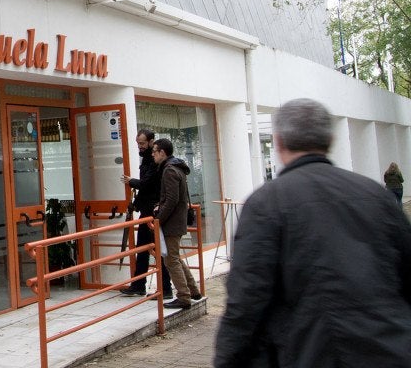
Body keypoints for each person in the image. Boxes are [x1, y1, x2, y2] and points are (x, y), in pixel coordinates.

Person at [214, 99, 411, 367]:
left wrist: (228, 359)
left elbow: (246, 301)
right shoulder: (377, 196)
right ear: (330, 139)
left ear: (279, 141)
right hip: (388, 351)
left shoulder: (265, 204)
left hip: (308, 354)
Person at [119, 129, 174, 298]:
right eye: (138, 143)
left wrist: (132, 182)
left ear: (152, 144)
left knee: (158, 249)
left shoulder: (159, 163)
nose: (139, 147)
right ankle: (138, 284)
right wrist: (136, 204)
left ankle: (165, 289)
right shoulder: (147, 159)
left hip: (154, 212)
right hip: (146, 210)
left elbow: (149, 184)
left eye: (142, 143)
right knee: (142, 248)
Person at [152, 138, 201, 309]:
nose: (152, 155)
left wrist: (160, 218)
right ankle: (193, 290)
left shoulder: (169, 170)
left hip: (172, 223)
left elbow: (172, 199)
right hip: (177, 220)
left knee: (171, 260)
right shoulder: (177, 168)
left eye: (154, 151)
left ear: (162, 152)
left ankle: (184, 296)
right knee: (175, 258)